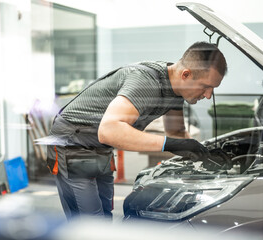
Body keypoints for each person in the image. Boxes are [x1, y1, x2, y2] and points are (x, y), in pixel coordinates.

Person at [44, 41, 227, 220]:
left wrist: (204, 155)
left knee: (105, 215)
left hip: (101, 147)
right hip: (72, 142)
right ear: (186, 75)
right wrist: (171, 144)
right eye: (205, 86)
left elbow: (176, 134)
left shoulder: (175, 90)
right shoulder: (146, 82)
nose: (208, 95)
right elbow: (109, 130)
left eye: (213, 89)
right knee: (89, 221)